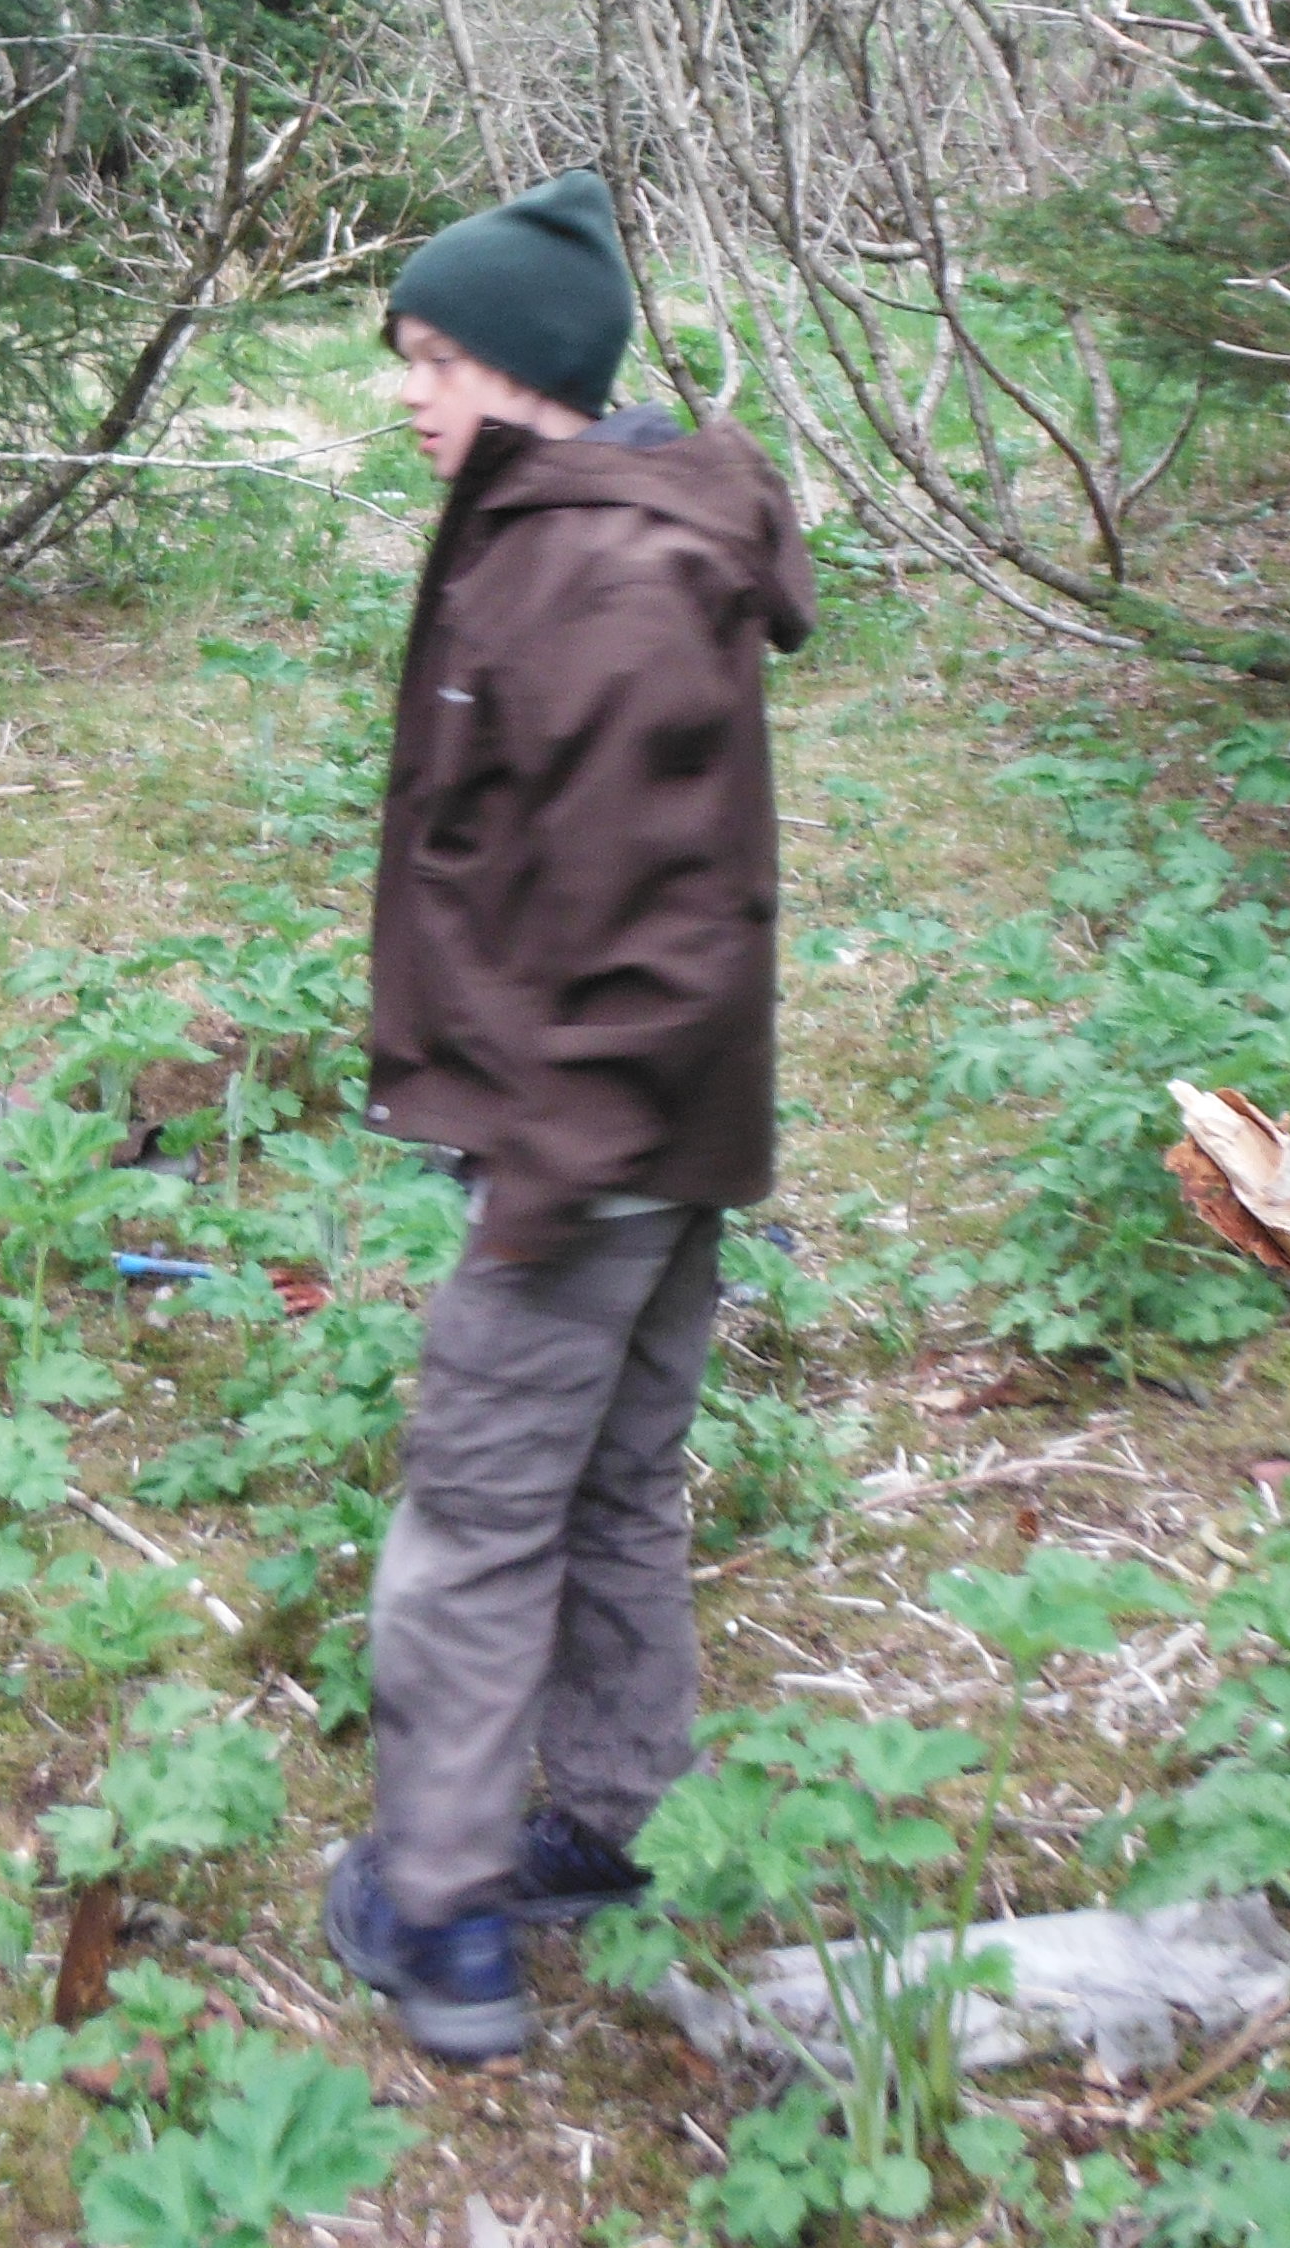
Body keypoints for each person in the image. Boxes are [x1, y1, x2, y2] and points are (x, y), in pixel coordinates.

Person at [320, 167, 815, 2063]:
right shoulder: (572, 525)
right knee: (612, 1483)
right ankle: (617, 1822)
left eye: (430, 357)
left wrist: (546, 1166)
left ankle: (444, 1919)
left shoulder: (595, 572)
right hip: (657, 1134)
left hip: (591, 1146)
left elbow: (657, 922)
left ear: (522, 366)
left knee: (474, 1516)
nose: (407, 392)